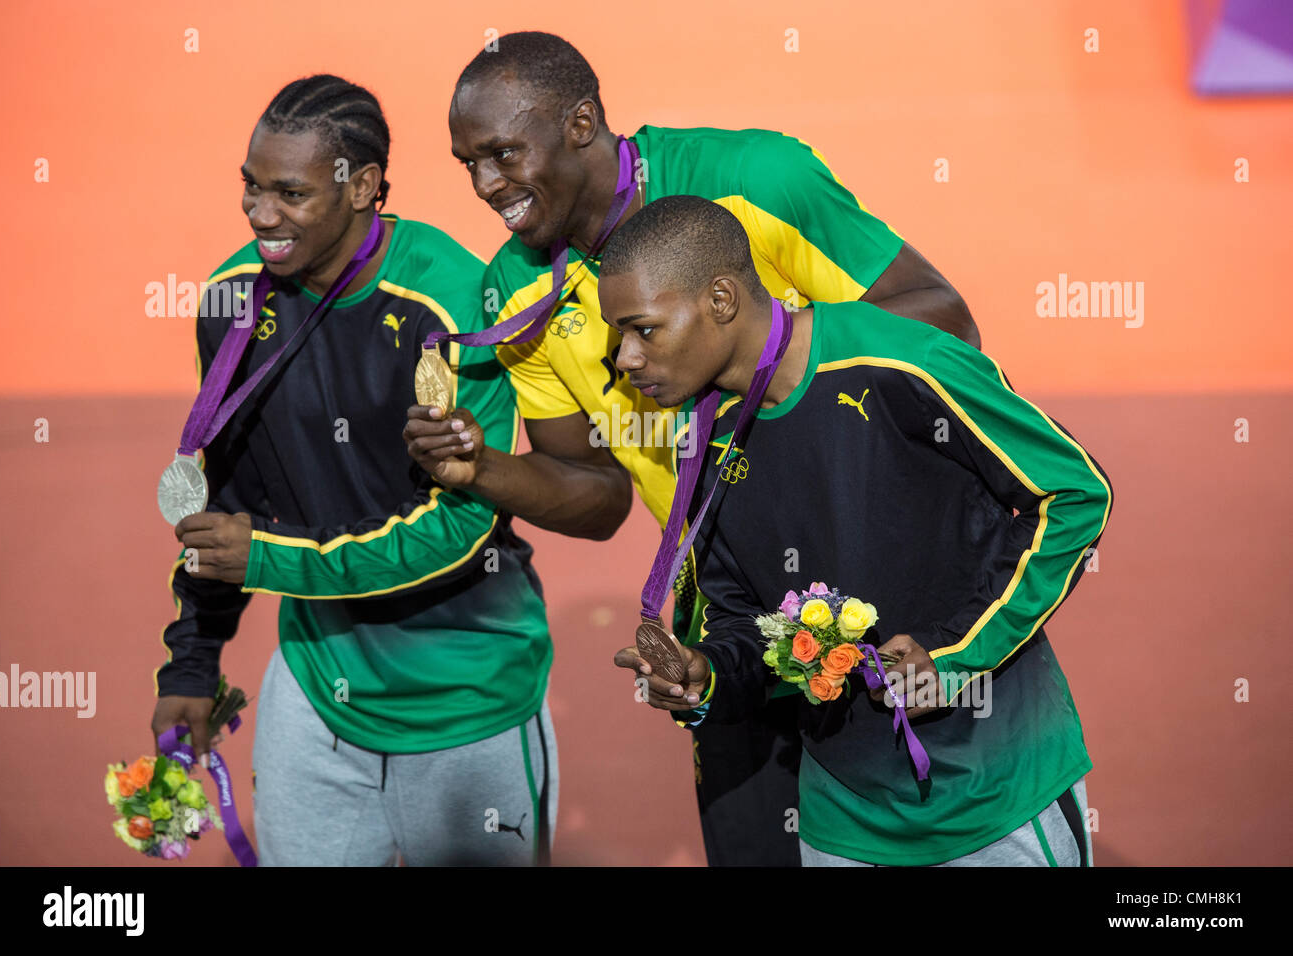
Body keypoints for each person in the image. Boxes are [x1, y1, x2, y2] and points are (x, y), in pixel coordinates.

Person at [404, 30, 979, 867]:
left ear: (581, 122)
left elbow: (944, 318)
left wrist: (780, 376)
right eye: (467, 164)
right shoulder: (519, 290)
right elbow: (595, 494)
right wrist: (482, 470)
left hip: (880, 565)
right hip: (734, 603)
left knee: (934, 836)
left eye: (502, 154)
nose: (487, 185)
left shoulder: (756, 181)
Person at [604, 195, 1111, 866]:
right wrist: (707, 677)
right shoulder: (700, 439)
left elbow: (1075, 493)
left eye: (642, 329)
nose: (624, 358)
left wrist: (955, 655)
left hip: (993, 797)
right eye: (619, 335)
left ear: (721, 299)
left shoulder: (902, 361)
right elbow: (745, 622)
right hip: (839, 823)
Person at [150, 75, 556, 866]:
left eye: (290, 193)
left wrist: (266, 556)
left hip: (468, 700)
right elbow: (228, 498)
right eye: (251, 186)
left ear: (362, 186)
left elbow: (458, 529)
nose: (261, 214)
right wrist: (194, 661)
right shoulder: (234, 302)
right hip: (317, 694)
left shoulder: (448, 301)